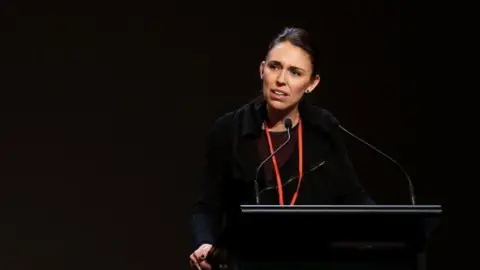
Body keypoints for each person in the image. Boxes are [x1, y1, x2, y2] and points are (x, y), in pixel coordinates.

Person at [189, 27, 374, 270]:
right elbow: (208, 206)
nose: (281, 80)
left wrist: (388, 228)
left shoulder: (323, 130)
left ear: (311, 83)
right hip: (245, 262)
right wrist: (204, 243)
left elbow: (352, 197)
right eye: (275, 66)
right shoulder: (229, 130)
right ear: (261, 69)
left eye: (295, 72)